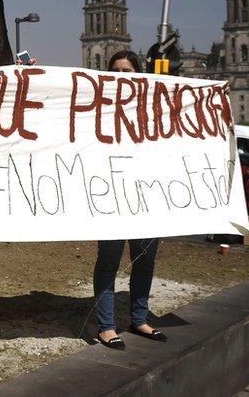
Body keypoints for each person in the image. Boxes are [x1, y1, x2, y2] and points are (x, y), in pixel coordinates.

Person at [91, 50, 167, 350]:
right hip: (110, 195)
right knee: (109, 262)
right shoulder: (96, 105)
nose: (122, 77)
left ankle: (139, 318)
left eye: (128, 71)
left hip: (146, 196)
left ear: (140, 74)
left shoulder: (153, 107)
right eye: (116, 71)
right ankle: (106, 327)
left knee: (145, 261)